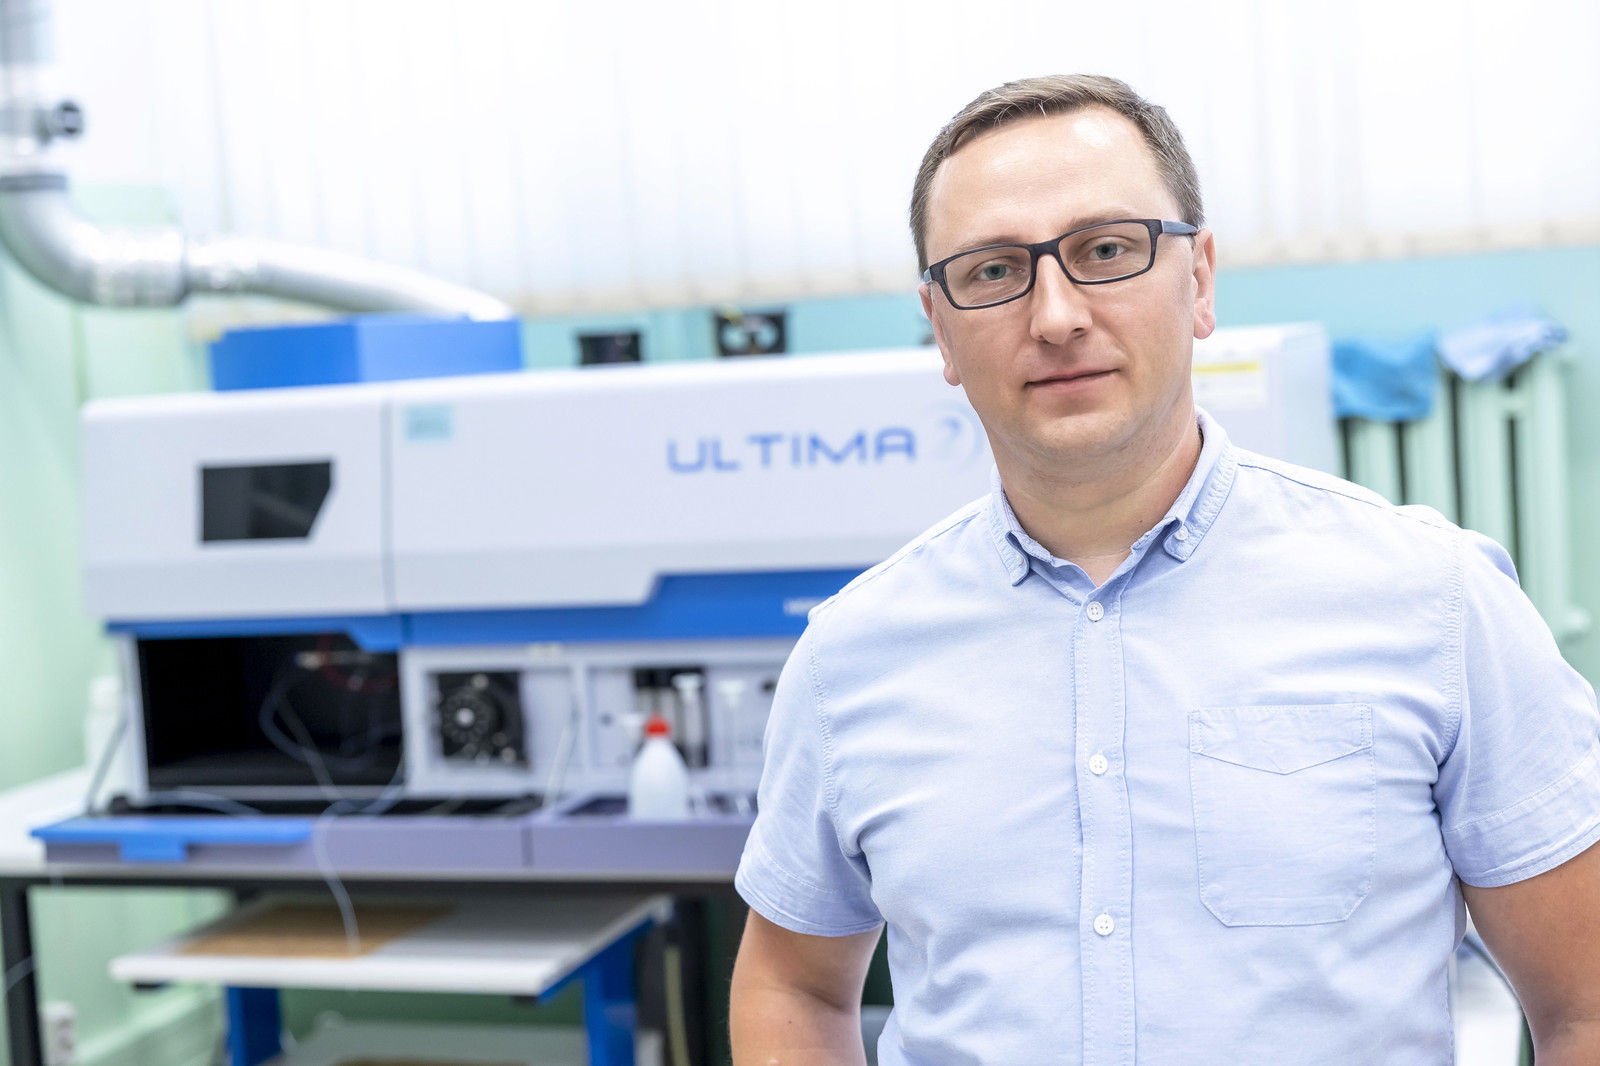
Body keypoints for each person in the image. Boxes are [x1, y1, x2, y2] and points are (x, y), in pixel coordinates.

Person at [727, 74, 1600, 1065]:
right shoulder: (849, 656)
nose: (1056, 316)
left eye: (1106, 250)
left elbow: (1585, 1004)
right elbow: (791, 985)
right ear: (940, 326)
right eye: (992, 271)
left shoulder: (1433, 599)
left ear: (1201, 280)